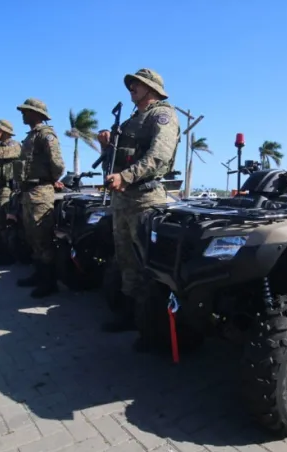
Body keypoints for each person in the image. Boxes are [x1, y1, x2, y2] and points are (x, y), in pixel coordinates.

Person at [98, 68, 181, 341]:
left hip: (145, 198)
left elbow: (159, 156)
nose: (131, 87)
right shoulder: (134, 118)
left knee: (148, 264)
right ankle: (129, 315)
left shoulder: (162, 115)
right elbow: (118, 161)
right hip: (123, 198)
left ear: (151, 87)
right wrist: (106, 146)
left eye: (137, 84)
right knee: (125, 259)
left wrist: (126, 176)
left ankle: (152, 326)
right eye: (131, 84)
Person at [14, 98, 65, 298]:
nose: (23, 115)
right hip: (29, 191)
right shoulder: (30, 136)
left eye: (26, 111)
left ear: (36, 113)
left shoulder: (46, 135)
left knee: (43, 237)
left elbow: (58, 164)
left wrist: (51, 179)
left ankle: (49, 281)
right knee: (32, 236)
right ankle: (39, 274)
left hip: (40, 191)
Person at [0, 119, 21, 264]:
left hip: (8, 189)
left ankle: (10, 255)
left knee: (6, 223)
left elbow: (0, 154)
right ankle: (4, 251)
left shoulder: (13, 145)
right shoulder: (0, 146)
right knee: (0, 223)